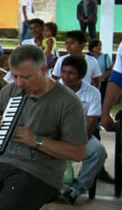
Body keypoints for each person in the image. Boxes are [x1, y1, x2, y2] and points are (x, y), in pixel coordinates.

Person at [0, 45, 87, 210]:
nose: (19, 83)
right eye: (14, 76)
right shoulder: (10, 91)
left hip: (39, 172)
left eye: (25, 77)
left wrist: (36, 140)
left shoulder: (68, 102)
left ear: (44, 70)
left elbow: (78, 153)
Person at [59, 56, 107, 205]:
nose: (66, 77)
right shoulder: (53, 89)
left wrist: (77, 145)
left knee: (98, 151)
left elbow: (92, 123)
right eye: (64, 72)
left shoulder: (92, 93)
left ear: (81, 75)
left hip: (81, 136)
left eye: (71, 73)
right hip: (54, 136)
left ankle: (76, 189)